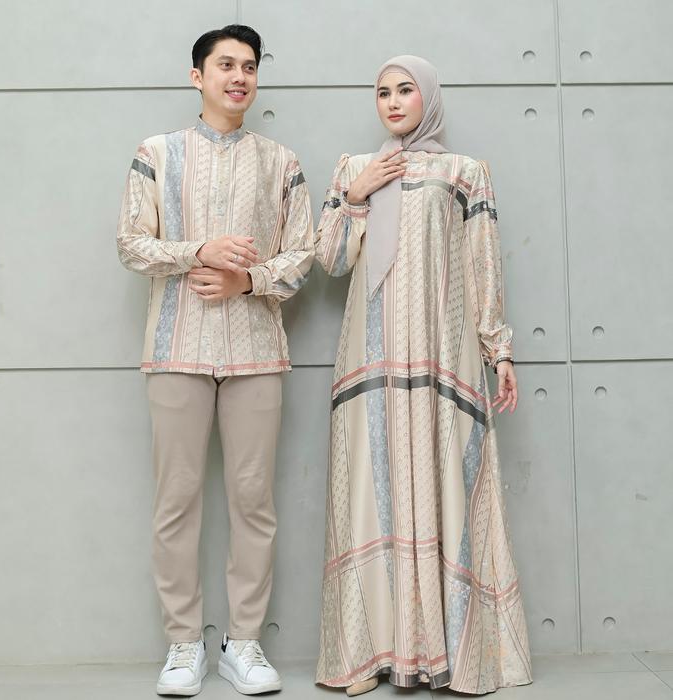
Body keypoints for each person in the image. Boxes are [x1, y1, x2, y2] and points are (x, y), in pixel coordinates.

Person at [314, 56, 532, 696]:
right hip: (371, 357)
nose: (392, 101)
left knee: (445, 487)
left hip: (442, 354)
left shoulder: (466, 172)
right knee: (371, 490)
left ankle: (449, 654)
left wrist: (499, 350)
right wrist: (356, 197)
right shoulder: (354, 168)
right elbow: (329, 259)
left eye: (405, 90)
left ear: (428, 97)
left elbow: (483, 264)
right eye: (382, 92)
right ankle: (372, 653)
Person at [116, 24, 314, 697]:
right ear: (196, 75)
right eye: (225, 64)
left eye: (249, 66)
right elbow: (130, 244)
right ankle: (183, 644)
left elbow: (302, 256)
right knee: (176, 501)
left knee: (254, 501)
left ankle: (243, 643)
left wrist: (247, 281)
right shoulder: (157, 153)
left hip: (257, 353)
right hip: (177, 349)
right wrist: (197, 252)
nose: (239, 76)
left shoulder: (281, 162)